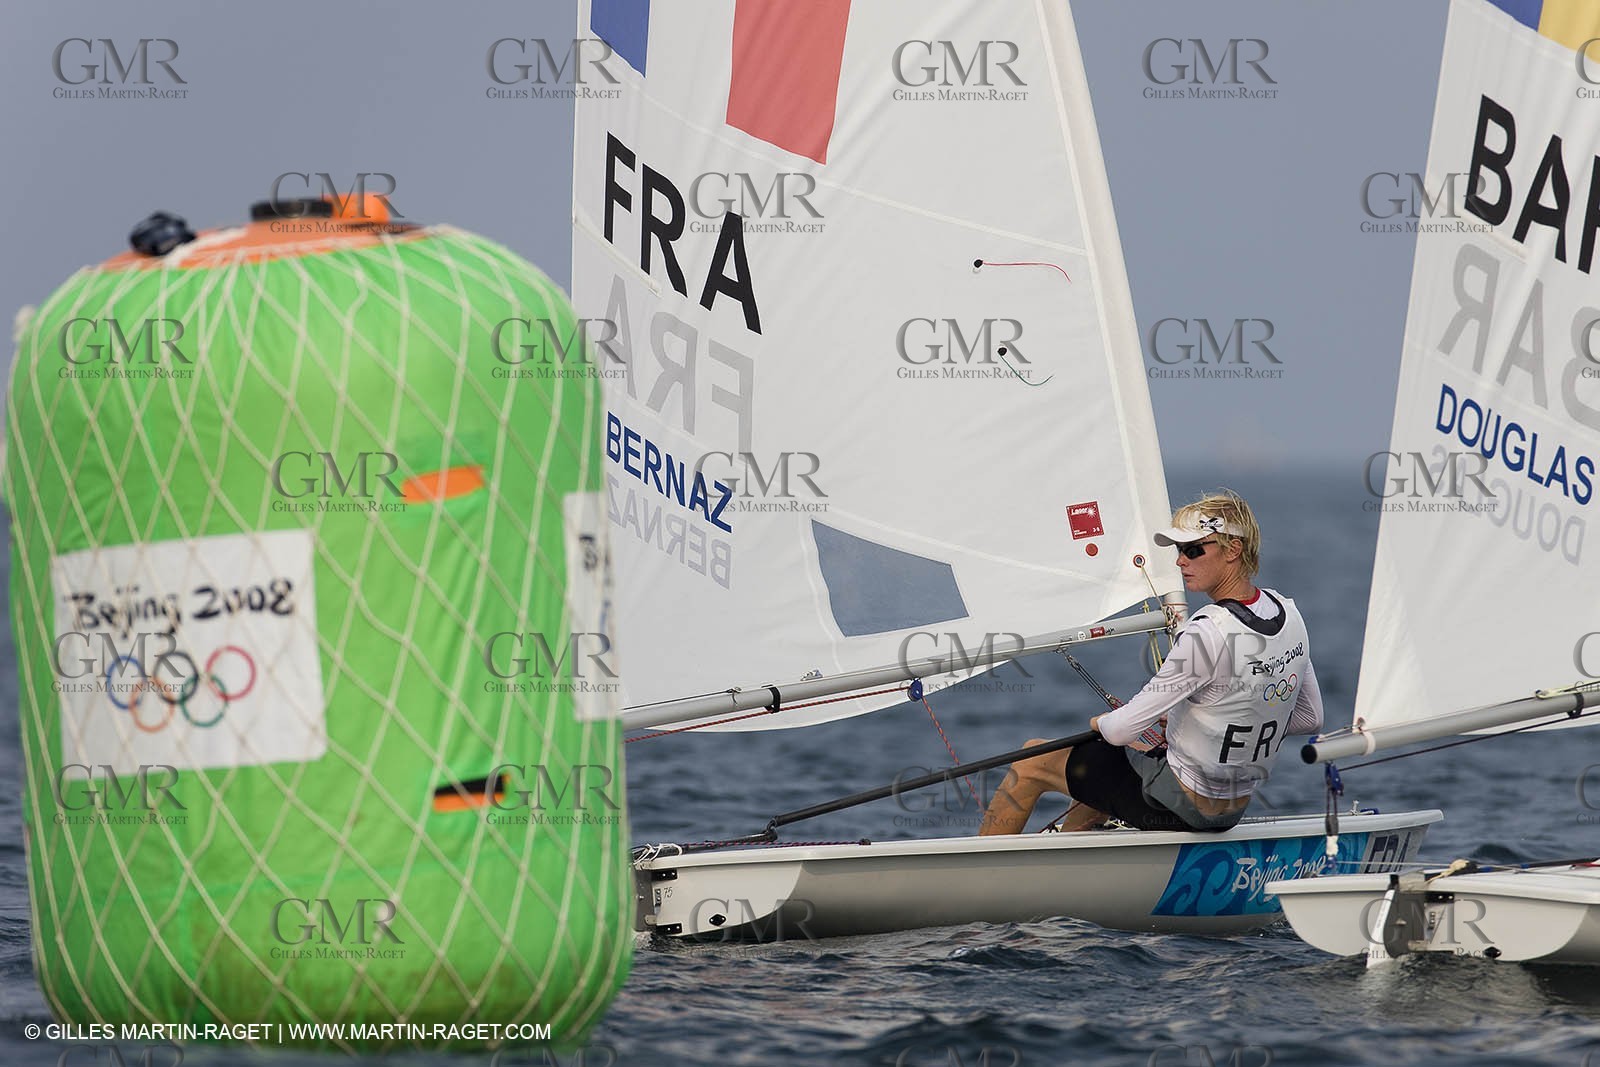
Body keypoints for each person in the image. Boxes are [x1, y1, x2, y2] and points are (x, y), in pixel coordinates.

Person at [977, 491, 1323, 836]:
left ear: (1233, 550)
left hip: (1183, 806)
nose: (1180, 562)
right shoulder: (1288, 612)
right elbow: (1310, 718)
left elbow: (1119, 729)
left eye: (1193, 550)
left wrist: (1100, 721)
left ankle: (980, 876)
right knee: (1108, 763)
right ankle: (1069, 854)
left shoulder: (1207, 633)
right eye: (1178, 551)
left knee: (1033, 759)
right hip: (1234, 806)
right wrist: (1204, 725)